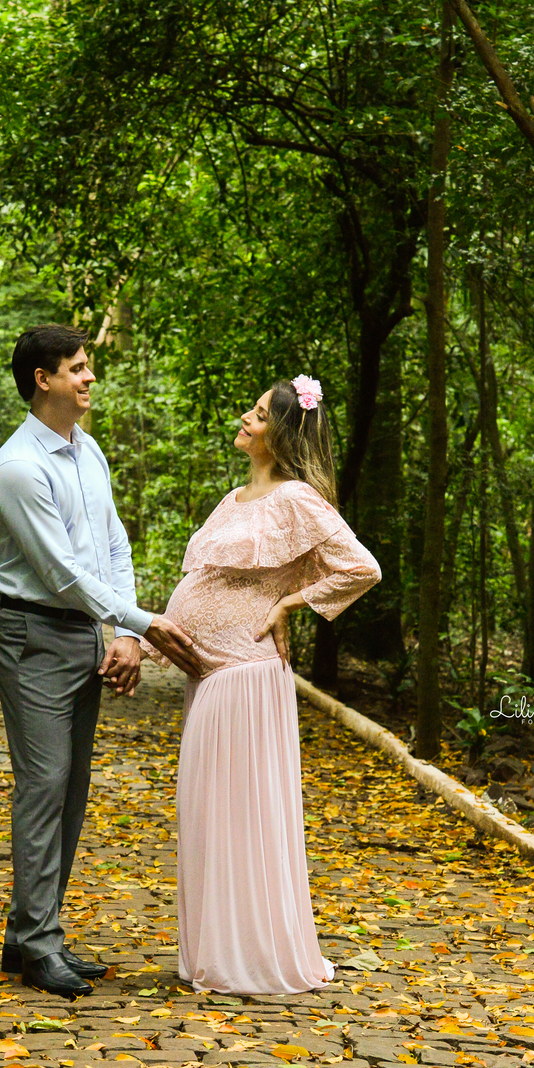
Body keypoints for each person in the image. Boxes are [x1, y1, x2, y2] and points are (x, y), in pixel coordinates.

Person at [0, 324, 203, 1000]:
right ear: (42, 379)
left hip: (81, 633)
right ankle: (39, 943)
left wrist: (126, 635)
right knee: (43, 785)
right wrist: (144, 622)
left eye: (88, 367)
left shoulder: (88, 451)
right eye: (77, 369)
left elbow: (113, 544)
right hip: (32, 633)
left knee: (71, 791)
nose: (89, 379)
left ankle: (29, 937)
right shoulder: (20, 467)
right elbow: (57, 571)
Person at [150, 376, 380, 995]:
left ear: (280, 433)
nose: (244, 421)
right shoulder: (233, 498)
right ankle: (216, 950)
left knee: (241, 817)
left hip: (246, 676)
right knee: (206, 814)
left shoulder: (297, 499)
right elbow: (207, 584)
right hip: (212, 676)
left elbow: (362, 567)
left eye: (256, 416)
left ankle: (247, 956)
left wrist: (291, 604)